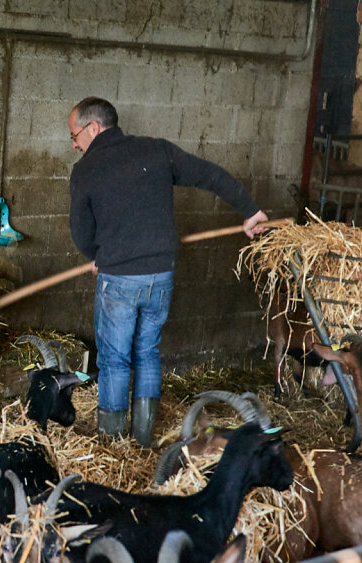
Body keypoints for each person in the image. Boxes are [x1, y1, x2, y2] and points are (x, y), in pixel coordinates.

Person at [67, 97, 269, 446]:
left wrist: (97, 255)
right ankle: (142, 440)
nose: (74, 143)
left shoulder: (85, 170)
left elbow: (81, 233)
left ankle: (113, 447)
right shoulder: (157, 151)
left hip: (119, 279)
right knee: (146, 353)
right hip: (160, 274)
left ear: (94, 128)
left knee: (114, 360)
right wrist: (250, 211)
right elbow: (211, 174)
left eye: (75, 134)